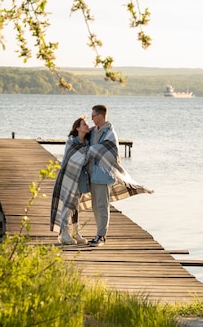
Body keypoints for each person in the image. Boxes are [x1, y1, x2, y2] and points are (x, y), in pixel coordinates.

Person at [87, 104, 153, 247]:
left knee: (102, 206)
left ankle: (101, 236)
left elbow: (111, 152)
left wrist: (92, 150)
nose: (92, 119)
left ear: (100, 116)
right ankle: (98, 234)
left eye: (93, 116)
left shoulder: (110, 133)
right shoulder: (93, 131)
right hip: (92, 174)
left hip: (104, 175)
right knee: (95, 207)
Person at [49, 116, 91, 245]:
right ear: (77, 128)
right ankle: (64, 234)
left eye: (87, 124)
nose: (87, 126)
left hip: (79, 178)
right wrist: (88, 153)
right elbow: (73, 159)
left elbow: (87, 157)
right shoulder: (72, 142)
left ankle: (75, 232)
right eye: (84, 124)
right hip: (68, 177)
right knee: (67, 204)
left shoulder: (88, 143)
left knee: (75, 206)